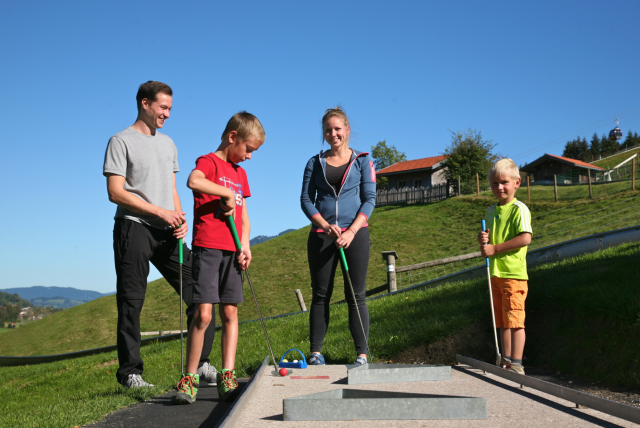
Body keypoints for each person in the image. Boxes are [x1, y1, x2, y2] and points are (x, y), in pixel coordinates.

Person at [103, 81, 216, 388]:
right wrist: (159, 212)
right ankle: (130, 374)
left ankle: (202, 363)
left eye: (170, 108)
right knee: (131, 301)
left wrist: (179, 219)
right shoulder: (120, 140)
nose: (167, 114)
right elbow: (115, 192)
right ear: (144, 103)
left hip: (169, 231)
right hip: (133, 228)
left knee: (201, 291)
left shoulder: (168, 144)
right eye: (162, 107)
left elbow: (171, 190)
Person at [172, 112, 265, 404]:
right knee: (203, 314)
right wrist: (223, 192)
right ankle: (189, 378)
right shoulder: (208, 162)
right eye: (248, 149)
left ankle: (227, 374)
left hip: (233, 250)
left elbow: (244, 216)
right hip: (208, 248)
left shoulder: (241, 174)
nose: (249, 157)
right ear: (233, 137)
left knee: (230, 313)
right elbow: (193, 181)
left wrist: (246, 245)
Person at [300, 107, 377, 366]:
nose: (333, 134)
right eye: (328, 130)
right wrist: (323, 224)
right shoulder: (315, 162)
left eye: (337, 129)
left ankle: (362, 355)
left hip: (355, 235)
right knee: (321, 294)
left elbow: (370, 200)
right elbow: (306, 200)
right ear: (324, 133)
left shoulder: (363, 161)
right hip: (322, 236)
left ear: (347, 130)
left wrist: (352, 231)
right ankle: (316, 353)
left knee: (356, 294)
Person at [477, 158, 533, 375]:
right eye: (494, 183)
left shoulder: (520, 209)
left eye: (504, 182)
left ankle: (517, 364)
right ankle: (505, 361)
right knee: (502, 320)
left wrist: (495, 249)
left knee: (516, 320)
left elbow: (525, 238)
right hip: (496, 273)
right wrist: (483, 241)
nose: (499, 187)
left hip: (513, 274)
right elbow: (488, 244)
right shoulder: (490, 212)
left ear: (517, 183)